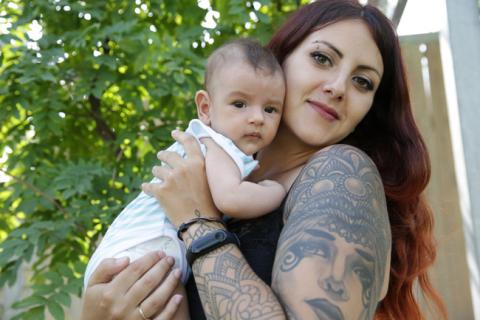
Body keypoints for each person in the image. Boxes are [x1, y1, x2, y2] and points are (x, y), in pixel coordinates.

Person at [81, 1, 447, 319]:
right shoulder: (225, 166)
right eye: (322, 58)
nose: (337, 86)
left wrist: (197, 222)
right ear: (280, 60)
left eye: (363, 82)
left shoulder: (342, 175)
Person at [82, 38, 286, 319]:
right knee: (171, 302)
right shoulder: (216, 144)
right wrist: (275, 190)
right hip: (147, 250)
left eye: (270, 109)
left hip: (123, 252)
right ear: (205, 107)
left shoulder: (207, 141)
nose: (257, 118)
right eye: (240, 104)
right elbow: (232, 198)